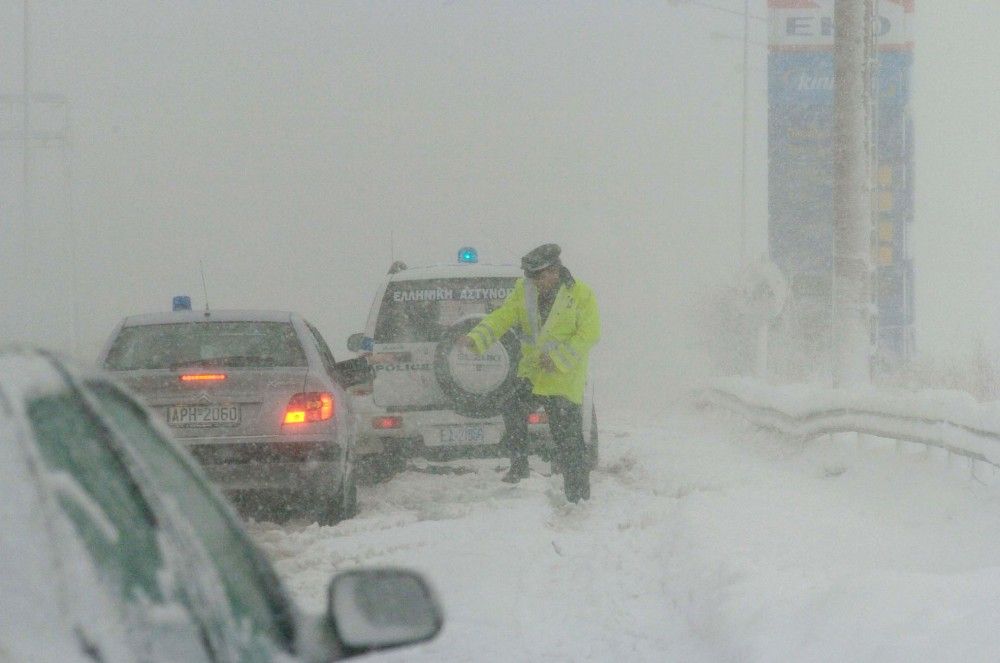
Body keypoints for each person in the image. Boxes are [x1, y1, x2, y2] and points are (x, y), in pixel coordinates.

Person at [457, 244, 600, 502]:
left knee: (568, 439)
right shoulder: (524, 292)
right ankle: (519, 465)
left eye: (538, 276)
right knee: (511, 405)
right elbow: (502, 317)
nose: (534, 282)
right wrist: (476, 338)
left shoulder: (580, 295)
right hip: (533, 376)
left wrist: (558, 360)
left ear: (554, 271)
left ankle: (578, 494)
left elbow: (589, 334)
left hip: (563, 380)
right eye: (530, 277)